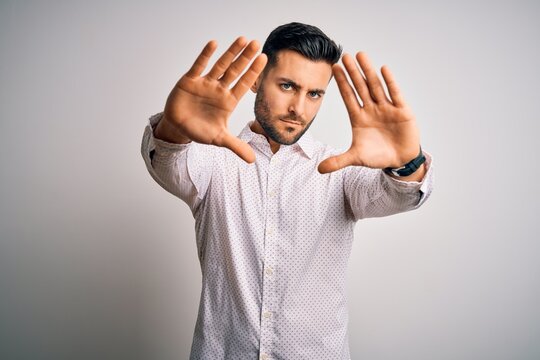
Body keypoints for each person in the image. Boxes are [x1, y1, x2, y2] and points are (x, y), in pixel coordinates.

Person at [141, 22, 433, 360]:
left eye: (314, 94)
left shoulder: (339, 171)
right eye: (287, 86)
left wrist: (407, 163)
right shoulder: (213, 163)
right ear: (256, 80)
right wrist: (174, 129)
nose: (299, 108)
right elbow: (168, 163)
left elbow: (401, 194)